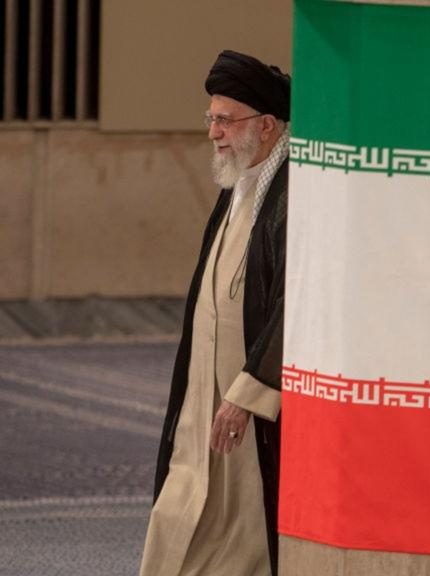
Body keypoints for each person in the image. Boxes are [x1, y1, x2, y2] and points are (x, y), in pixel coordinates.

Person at [139, 50, 290, 576]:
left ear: (266, 125)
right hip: (203, 391)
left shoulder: (292, 191)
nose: (213, 133)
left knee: (241, 529)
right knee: (180, 504)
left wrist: (249, 393)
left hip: (249, 405)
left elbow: (296, 301)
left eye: (225, 120)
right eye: (211, 119)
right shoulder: (241, 180)